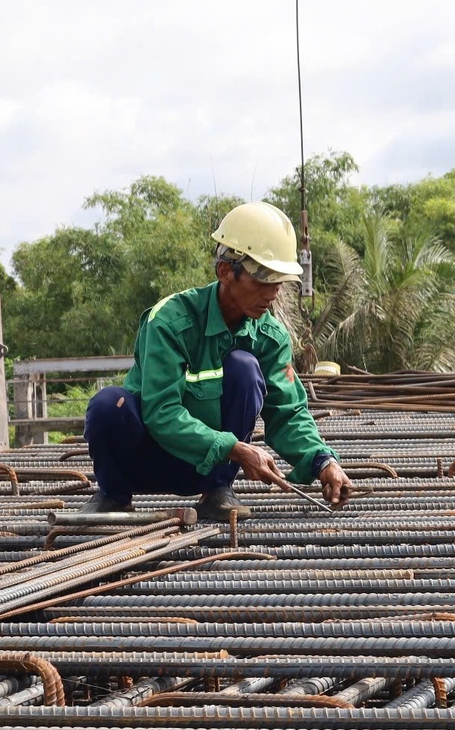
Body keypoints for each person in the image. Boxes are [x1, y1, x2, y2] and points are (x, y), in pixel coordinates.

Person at [81, 201, 353, 519]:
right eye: (262, 281)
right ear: (226, 272)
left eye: (278, 283)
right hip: (144, 462)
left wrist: (323, 461)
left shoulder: (269, 336)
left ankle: (216, 491)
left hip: (207, 468)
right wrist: (234, 448)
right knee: (108, 404)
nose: (272, 294)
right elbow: (161, 412)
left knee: (245, 368)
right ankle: (114, 495)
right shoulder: (169, 320)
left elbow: (288, 413)